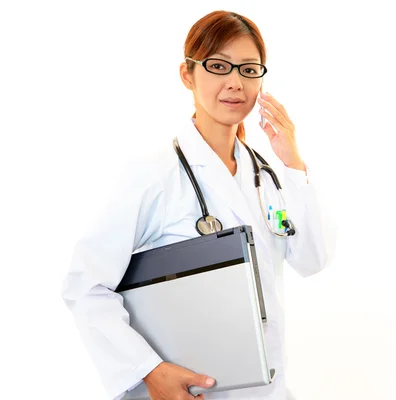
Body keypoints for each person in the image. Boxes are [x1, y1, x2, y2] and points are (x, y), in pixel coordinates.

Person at [60, 10, 335, 400]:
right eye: (219, 66)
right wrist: (149, 371)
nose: (235, 83)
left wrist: (292, 162)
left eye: (249, 69)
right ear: (187, 75)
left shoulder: (267, 177)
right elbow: (85, 284)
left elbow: (312, 259)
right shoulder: (153, 172)